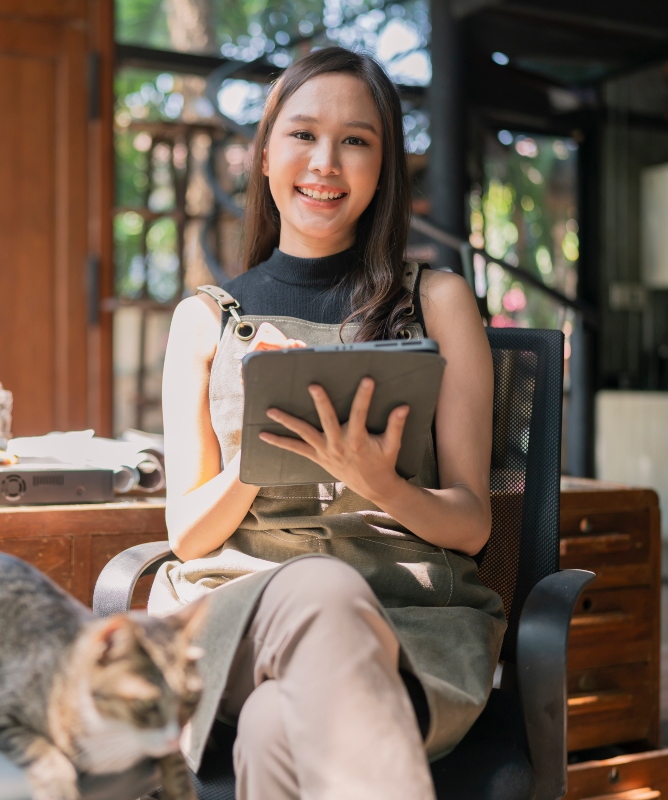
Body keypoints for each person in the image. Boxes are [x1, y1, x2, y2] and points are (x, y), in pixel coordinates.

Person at [147, 46, 505, 800]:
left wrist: (380, 483)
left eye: (356, 141)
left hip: (406, 626)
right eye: (304, 135)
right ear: (267, 154)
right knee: (318, 590)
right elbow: (189, 535)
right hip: (239, 613)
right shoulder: (204, 321)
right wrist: (256, 458)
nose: (326, 163)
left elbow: (471, 525)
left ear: (383, 169)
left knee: (279, 725)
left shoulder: (437, 303)